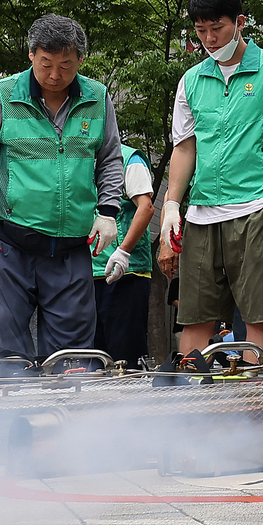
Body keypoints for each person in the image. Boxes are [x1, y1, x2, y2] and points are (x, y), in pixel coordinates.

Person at [157, 0, 263, 362]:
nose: (210, 39)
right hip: (200, 213)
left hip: (256, 208)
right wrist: (171, 205)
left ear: (240, 22)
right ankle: (190, 401)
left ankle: (255, 403)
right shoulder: (192, 80)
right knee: (195, 317)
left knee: (258, 317)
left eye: (217, 28)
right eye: (201, 31)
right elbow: (185, 147)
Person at [0, 15, 124, 361]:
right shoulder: (1, 96)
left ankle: (68, 412)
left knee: (73, 351)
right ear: (31, 55)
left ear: (80, 60)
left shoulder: (97, 97)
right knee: (9, 345)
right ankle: (12, 411)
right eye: (45, 64)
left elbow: (109, 160)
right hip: (11, 242)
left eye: (66, 65)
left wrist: (108, 212)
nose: (54, 75)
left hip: (71, 247)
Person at [91, 143, 156, 365]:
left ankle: (132, 400)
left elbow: (145, 207)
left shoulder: (129, 158)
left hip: (125, 274)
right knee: (91, 360)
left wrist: (123, 251)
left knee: (124, 359)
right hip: (86, 273)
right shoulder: (78, 157)